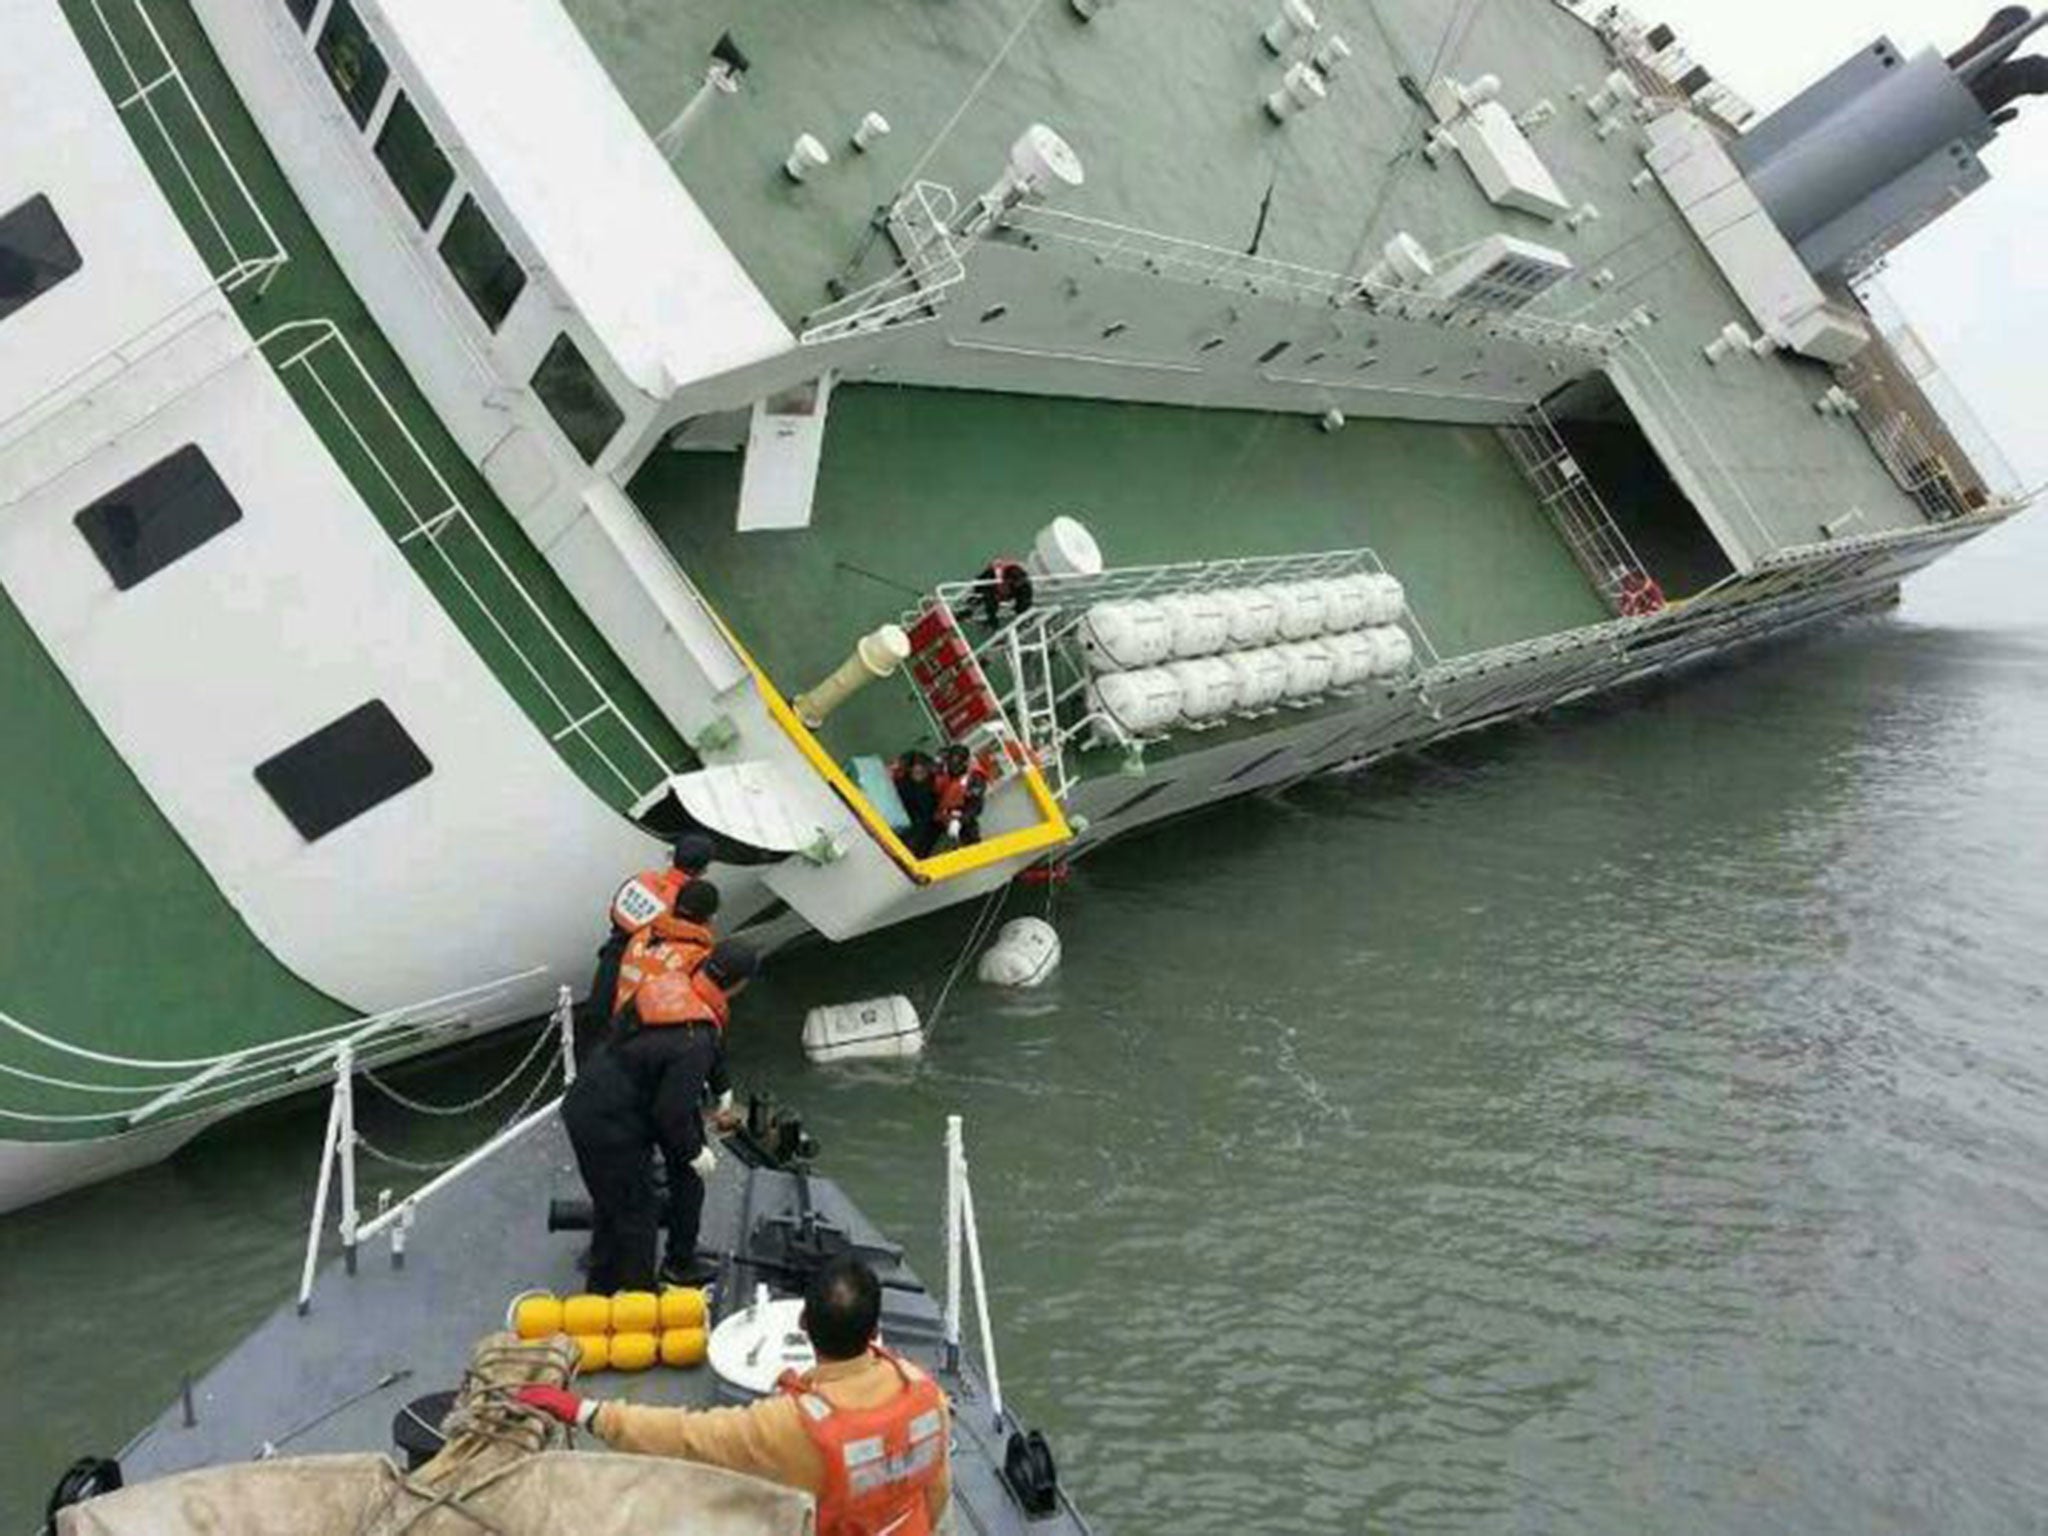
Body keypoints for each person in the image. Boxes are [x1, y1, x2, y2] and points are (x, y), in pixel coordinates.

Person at [518, 1256, 951, 1535]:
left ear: (802, 1322)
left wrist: (586, 1410)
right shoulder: (925, 1391)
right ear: (875, 1329)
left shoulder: (792, 1425)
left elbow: (685, 1435)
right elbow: (936, 1494)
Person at [560, 939, 758, 1294]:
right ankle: (641, 1298)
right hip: (611, 1124)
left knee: (612, 1202)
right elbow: (672, 1112)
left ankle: (602, 1278)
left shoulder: (672, 985)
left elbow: (629, 1037)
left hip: (592, 1098)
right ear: (740, 984)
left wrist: (721, 1085)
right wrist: (694, 1153)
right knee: (637, 1212)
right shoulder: (695, 1037)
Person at [589, 834, 715, 1032]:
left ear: (673, 856)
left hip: (609, 957)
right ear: (704, 869)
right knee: (617, 1028)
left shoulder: (642, 879)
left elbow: (616, 910)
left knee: (595, 1019)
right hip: (639, 972)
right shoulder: (684, 902)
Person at [611, 879, 721, 1024]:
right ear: (710, 918)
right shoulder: (697, 958)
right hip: (649, 1032)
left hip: (620, 1020)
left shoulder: (641, 935)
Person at [932, 744, 989, 848]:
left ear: (965, 763)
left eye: (957, 765)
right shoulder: (938, 770)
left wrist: (960, 820)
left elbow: (976, 806)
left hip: (961, 815)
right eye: (950, 764)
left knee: (969, 834)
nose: (953, 769)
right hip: (938, 815)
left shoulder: (975, 778)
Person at [890, 750, 941, 857]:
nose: (918, 774)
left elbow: (924, 821)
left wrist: (911, 845)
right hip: (901, 816)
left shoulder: (928, 792)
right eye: (916, 770)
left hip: (918, 827)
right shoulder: (903, 781)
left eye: (922, 772)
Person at [972, 556, 1033, 629]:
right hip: (993, 590)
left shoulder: (1022, 581)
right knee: (988, 597)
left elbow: (1026, 597)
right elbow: (980, 584)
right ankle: (992, 622)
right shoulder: (992, 574)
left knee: (1024, 597)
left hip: (1008, 592)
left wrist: (1020, 609)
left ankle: (1024, 620)